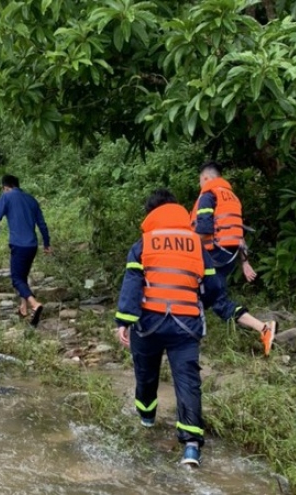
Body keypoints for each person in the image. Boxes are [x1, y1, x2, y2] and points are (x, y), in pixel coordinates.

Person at [115, 189, 230, 467]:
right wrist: (222, 307)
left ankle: (146, 419)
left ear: (151, 214)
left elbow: (133, 284)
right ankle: (191, 447)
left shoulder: (143, 243)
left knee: (146, 374)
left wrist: (124, 321)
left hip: (149, 324)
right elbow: (212, 287)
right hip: (186, 326)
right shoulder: (195, 245)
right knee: (187, 381)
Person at [190, 161, 276, 356]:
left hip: (214, 255)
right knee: (199, 294)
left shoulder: (208, 195)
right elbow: (237, 232)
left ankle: (264, 328)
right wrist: (245, 262)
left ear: (205, 178)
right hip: (229, 256)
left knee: (214, 299)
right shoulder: (231, 198)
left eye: (199, 181)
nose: (199, 186)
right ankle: (189, 337)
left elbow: (203, 231)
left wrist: (184, 247)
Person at [0, 174, 51, 327]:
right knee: (23, 276)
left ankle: (35, 304)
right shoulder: (31, 199)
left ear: (5, 187)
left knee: (16, 279)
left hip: (18, 245)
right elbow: (42, 224)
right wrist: (46, 243)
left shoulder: (6, 197)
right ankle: (23, 308)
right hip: (32, 245)